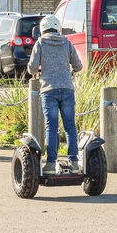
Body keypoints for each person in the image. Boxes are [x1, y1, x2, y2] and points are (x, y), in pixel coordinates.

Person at [28, 15, 84, 174]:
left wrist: (39, 69)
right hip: (67, 88)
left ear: (42, 29)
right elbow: (78, 66)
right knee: (70, 126)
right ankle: (73, 162)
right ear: (58, 27)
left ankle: (51, 164)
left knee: (51, 127)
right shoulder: (66, 42)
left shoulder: (40, 43)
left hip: (48, 90)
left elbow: (32, 68)